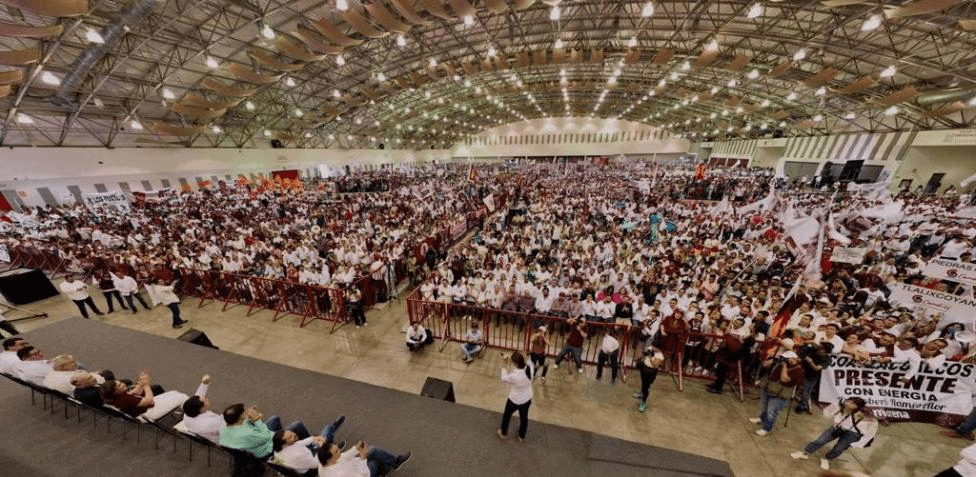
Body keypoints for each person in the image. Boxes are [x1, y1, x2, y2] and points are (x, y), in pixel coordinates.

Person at [790, 397, 878, 471]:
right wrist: (836, 420)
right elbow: (828, 411)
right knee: (821, 440)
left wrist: (855, 444)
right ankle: (805, 453)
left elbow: (870, 434)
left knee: (838, 448)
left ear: (857, 407)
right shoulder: (841, 406)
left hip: (854, 433)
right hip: (839, 427)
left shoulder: (868, 418)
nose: (848, 403)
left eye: (852, 403)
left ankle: (827, 459)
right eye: (849, 401)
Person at [220, 403, 311, 460]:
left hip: (254, 443)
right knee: (297, 425)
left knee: (274, 419)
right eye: (244, 413)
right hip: (266, 449)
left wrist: (248, 418)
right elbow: (266, 436)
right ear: (240, 418)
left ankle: (285, 443)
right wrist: (257, 419)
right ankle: (312, 447)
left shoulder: (226, 428)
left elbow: (243, 425)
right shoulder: (248, 434)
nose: (246, 412)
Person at [751, 351, 804, 436]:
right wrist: (772, 360)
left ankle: (767, 429)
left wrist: (784, 366)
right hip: (769, 387)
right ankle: (761, 419)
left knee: (771, 412)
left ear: (793, 359)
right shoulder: (779, 363)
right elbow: (764, 365)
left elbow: (784, 379)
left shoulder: (798, 370)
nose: (784, 360)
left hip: (780, 393)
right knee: (764, 407)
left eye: (786, 359)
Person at [273, 415, 348, 474]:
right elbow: (315, 463)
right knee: (327, 432)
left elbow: (300, 443)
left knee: (323, 436)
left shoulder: (279, 449)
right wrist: (321, 447)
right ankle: (333, 450)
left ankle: (332, 446)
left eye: (290, 432)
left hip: (306, 457)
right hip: (313, 463)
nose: (294, 434)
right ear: (284, 443)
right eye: (290, 437)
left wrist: (313, 438)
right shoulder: (297, 455)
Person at [100, 371, 188, 420]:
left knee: (174, 393)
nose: (123, 384)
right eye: (119, 385)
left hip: (144, 408)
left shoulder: (116, 397)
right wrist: (146, 385)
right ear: (115, 392)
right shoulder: (124, 399)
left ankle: (185, 410)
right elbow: (148, 400)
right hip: (148, 412)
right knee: (182, 397)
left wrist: (141, 384)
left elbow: (133, 392)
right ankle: (191, 415)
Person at [317, 439, 411, 477]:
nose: (340, 451)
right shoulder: (339, 474)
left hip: (355, 466)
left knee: (373, 450)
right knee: (375, 461)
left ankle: (395, 462)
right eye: (337, 451)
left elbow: (343, 457)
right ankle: (382, 471)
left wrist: (356, 448)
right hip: (362, 472)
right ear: (329, 459)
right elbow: (363, 475)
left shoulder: (323, 463)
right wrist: (362, 459)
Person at [497, 351, 534, 441]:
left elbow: (504, 377)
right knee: (524, 418)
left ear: (515, 363)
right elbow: (525, 363)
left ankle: (503, 433)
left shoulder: (515, 376)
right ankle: (521, 436)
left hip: (515, 399)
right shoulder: (529, 367)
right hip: (527, 398)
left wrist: (504, 364)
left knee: (507, 415)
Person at [181, 374, 225, 443]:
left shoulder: (189, 411)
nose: (207, 399)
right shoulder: (211, 423)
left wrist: (204, 383)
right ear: (201, 409)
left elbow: (198, 395)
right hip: (220, 438)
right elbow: (228, 424)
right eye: (205, 401)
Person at [633, 346, 664, 412]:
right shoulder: (650, 348)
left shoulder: (660, 356)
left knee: (646, 387)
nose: (653, 348)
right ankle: (641, 394)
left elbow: (655, 364)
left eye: (655, 347)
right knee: (643, 382)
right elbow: (643, 355)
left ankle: (643, 403)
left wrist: (651, 357)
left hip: (651, 371)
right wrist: (642, 355)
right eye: (653, 346)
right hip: (644, 367)